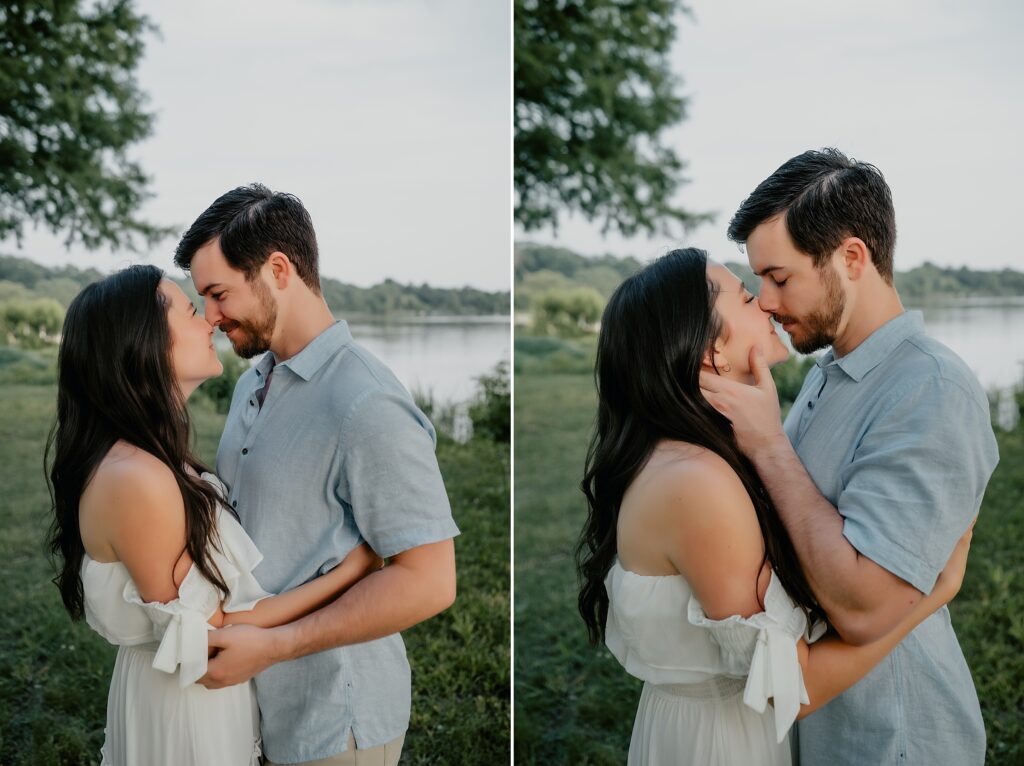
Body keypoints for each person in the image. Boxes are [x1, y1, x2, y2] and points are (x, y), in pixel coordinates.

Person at [577, 248, 974, 765]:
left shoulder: (688, 454)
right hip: (723, 745)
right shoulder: (699, 483)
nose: (765, 304)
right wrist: (934, 591)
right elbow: (791, 686)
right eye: (746, 295)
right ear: (709, 354)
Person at [699, 148, 998, 765]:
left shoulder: (931, 389)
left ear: (851, 258)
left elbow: (865, 608)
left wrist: (768, 444)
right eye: (759, 281)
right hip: (815, 724)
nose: (767, 301)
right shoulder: (829, 371)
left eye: (780, 278)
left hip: (890, 735)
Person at [46, 265, 384, 765]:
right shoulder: (139, 477)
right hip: (185, 710)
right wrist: (353, 569)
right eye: (188, 309)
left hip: (181, 692)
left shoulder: (147, 459)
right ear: (144, 342)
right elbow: (212, 633)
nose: (209, 321)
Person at [171, 184, 460, 766]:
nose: (211, 316)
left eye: (218, 293)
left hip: (334, 718)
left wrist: (274, 645)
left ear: (278, 270)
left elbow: (430, 582)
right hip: (253, 706)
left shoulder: (366, 403)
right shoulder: (255, 380)